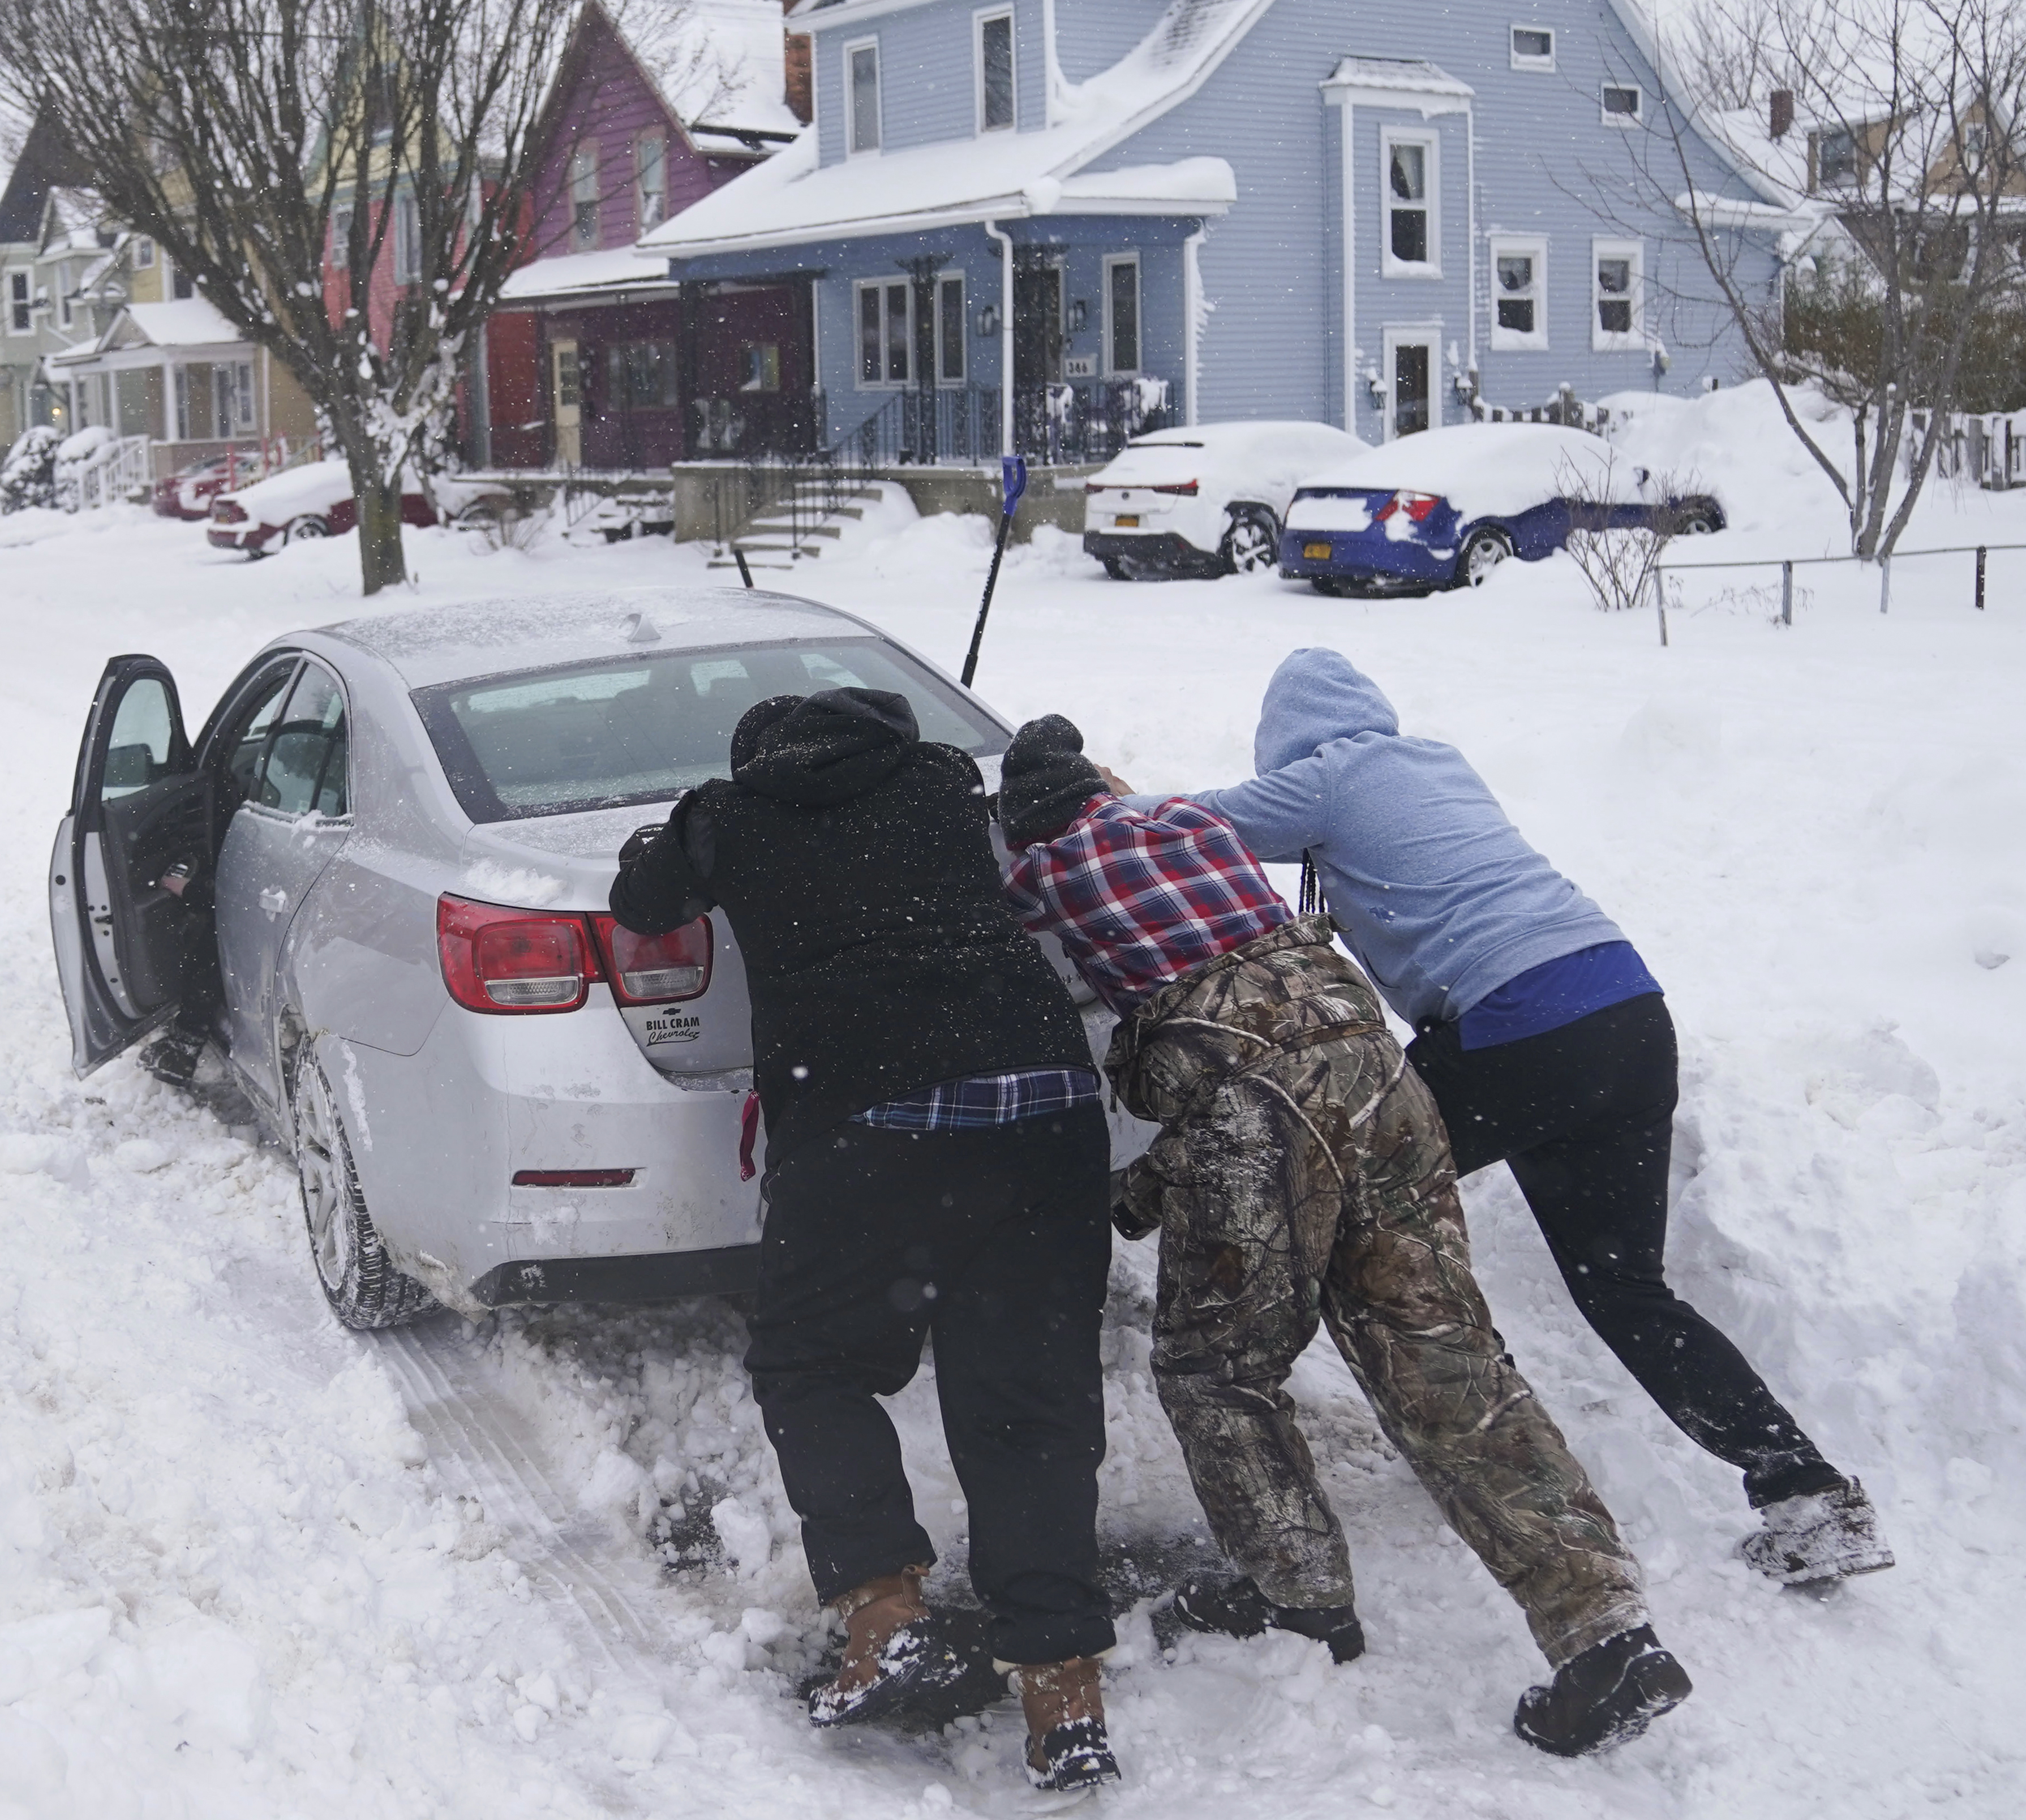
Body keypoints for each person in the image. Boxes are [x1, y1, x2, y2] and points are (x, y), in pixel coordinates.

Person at [998, 715, 1691, 1757]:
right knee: (1444, 1354)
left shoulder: (1046, 871)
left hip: (1255, 1110)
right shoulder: (1193, 825)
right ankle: (1606, 1632)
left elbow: (1001, 928)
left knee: (1216, 1367)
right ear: (1106, 782)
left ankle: (1299, 1595)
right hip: (1383, 1082)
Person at [1160, 649, 1890, 1592]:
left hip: (1516, 1028)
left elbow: (1181, 831)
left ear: (1289, 744)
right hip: (1626, 1014)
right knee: (1626, 1287)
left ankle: (1478, 1452)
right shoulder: (1437, 761)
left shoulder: (1333, 776)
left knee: (1349, 1202)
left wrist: (1089, 798)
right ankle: (1808, 1490)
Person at [609, 688, 1120, 1792]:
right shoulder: (941, 782)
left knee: (811, 1366)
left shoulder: (728, 815)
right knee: (1029, 1405)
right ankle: (1062, 1694)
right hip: (1042, 1107)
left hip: (872, 1120)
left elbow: (644, 904)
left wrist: (666, 841)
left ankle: (886, 1616)